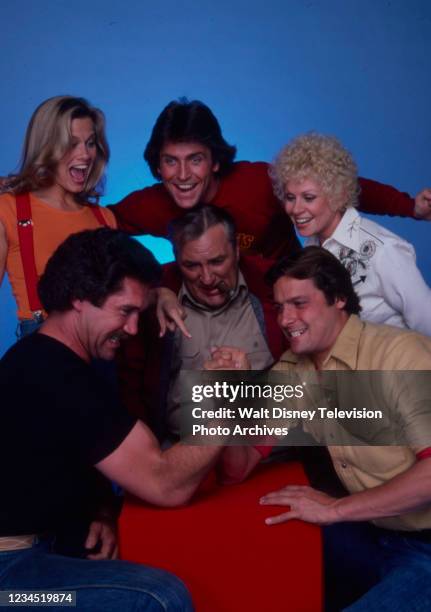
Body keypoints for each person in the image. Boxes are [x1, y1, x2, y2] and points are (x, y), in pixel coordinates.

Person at [0, 228, 229, 610]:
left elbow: (73, 456)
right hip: (11, 583)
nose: (133, 329)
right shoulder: (57, 376)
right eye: (124, 312)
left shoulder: (50, 359)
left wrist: (101, 510)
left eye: (138, 313)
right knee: (157, 598)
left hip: (44, 547)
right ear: (78, 299)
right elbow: (165, 483)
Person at [256, 247, 431, 611]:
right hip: (370, 532)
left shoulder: (400, 354)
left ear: (338, 298)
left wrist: (337, 509)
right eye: (278, 307)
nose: (286, 319)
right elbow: (237, 465)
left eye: (299, 303)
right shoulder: (292, 369)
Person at [110, 99, 430, 260]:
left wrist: (410, 206)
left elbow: (333, 185)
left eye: (195, 160)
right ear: (158, 164)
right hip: (216, 316)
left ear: (215, 160)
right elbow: (91, 222)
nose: (182, 176)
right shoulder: (151, 205)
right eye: (170, 162)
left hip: (289, 301)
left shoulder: (257, 183)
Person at [118, 204, 286, 448]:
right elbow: (129, 387)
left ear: (237, 251)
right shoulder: (151, 292)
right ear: (176, 260)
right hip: (180, 448)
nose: (207, 278)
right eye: (192, 265)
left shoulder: (273, 283)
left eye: (217, 261)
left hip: (263, 449)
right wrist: (154, 295)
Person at [270, 132, 431, 335]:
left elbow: (427, 322)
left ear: (340, 194)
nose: (295, 208)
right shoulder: (312, 248)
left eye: (309, 197)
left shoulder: (383, 250)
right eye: (290, 197)